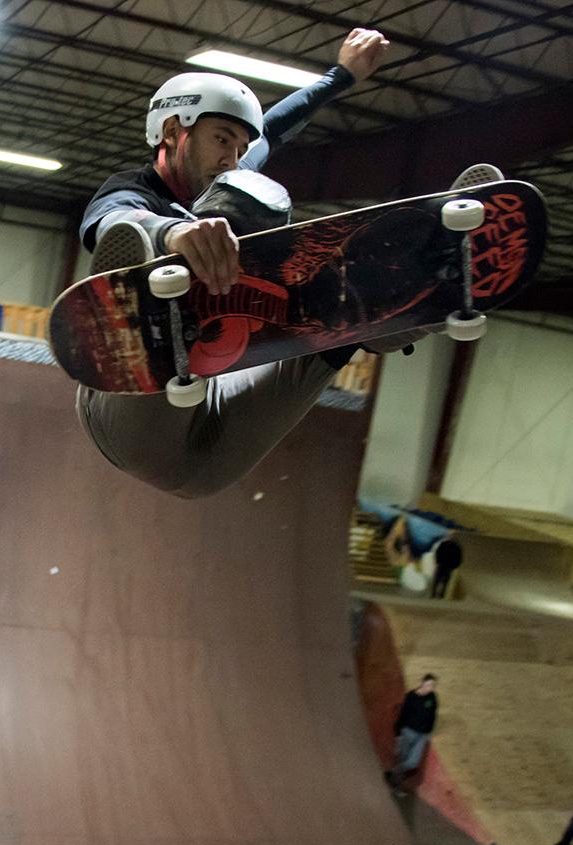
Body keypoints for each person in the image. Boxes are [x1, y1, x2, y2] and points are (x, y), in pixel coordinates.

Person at [75, 29, 419, 499]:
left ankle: (431, 286)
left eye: (239, 147)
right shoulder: (130, 191)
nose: (232, 159)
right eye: (221, 140)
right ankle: (155, 309)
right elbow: (110, 220)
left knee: (336, 312)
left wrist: (341, 76)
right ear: (174, 131)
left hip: (212, 454)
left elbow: (275, 128)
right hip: (132, 421)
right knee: (197, 236)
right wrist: (173, 232)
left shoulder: (231, 174)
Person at [385, 673, 438, 793]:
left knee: (413, 762)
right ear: (422, 683)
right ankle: (396, 786)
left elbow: (433, 715)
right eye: (428, 684)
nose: (430, 688)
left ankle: (393, 773)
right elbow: (403, 714)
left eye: (433, 686)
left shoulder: (433, 698)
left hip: (422, 735)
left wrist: (429, 732)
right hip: (408, 732)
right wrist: (398, 732)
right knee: (403, 758)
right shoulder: (411, 696)